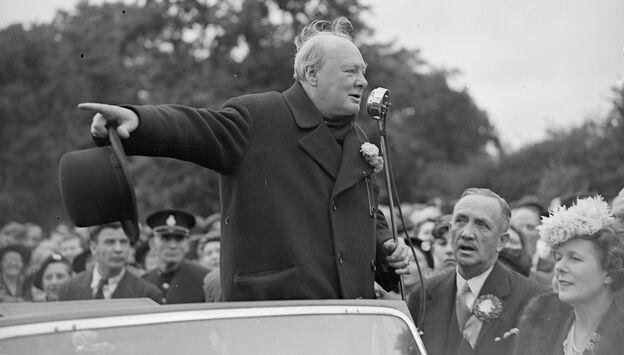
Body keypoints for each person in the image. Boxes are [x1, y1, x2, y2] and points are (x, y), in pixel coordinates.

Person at [78, 17, 410, 301]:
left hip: (350, 322)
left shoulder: (359, 140)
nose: (363, 81)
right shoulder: (261, 115)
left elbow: (361, 213)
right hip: (274, 321)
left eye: (363, 72)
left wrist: (385, 247)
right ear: (311, 74)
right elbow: (199, 129)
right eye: (351, 71)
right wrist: (140, 123)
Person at [407, 188, 544, 355]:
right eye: (460, 221)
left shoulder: (532, 299)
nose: (467, 233)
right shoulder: (422, 296)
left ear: (502, 241)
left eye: (481, 225)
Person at [512, 196, 624, 355]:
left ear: (609, 271)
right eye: (558, 258)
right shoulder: (539, 324)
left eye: (575, 258)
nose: (559, 267)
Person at [58, 223, 162, 303]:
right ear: (94, 248)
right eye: (110, 242)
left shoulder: (147, 293)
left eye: (123, 242)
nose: (118, 249)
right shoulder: (68, 289)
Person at [143, 209, 210, 304]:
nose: (173, 245)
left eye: (179, 239)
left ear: (187, 245)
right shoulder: (145, 281)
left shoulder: (205, 279)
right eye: (165, 238)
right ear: (153, 244)